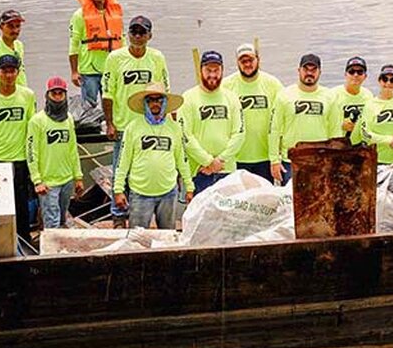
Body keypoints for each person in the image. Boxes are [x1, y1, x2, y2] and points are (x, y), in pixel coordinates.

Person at [102, 15, 169, 223]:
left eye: (142, 32)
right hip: (123, 125)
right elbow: (107, 92)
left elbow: (165, 88)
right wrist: (110, 122)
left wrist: (165, 120)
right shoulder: (115, 58)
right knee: (120, 170)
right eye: (134, 32)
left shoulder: (157, 57)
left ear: (150, 35)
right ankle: (119, 215)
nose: (138, 36)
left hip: (149, 123)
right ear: (127, 34)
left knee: (145, 168)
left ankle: (143, 211)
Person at [113, 83, 193, 230]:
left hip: (168, 193)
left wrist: (189, 186)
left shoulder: (174, 128)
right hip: (140, 194)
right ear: (145, 103)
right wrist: (118, 190)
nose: (155, 104)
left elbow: (182, 160)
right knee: (136, 239)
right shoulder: (132, 127)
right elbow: (123, 162)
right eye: (150, 100)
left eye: (159, 100)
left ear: (165, 103)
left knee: (167, 236)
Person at [0, 54, 37, 240]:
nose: (9, 75)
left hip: (20, 158)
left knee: (21, 205)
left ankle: (24, 239)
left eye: (12, 71)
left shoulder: (27, 95)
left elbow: (32, 129)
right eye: (5, 71)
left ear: (18, 73)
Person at [179, 50, 245, 194]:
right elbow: (185, 136)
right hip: (199, 171)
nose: (213, 75)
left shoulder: (232, 98)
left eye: (217, 70)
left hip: (226, 170)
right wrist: (208, 161)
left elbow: (239, 134)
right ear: (200, 70)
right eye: (208, 70)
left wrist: (219, 161)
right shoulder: (188, 98)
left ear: (222, 71)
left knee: (229, 215)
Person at [269, 54, 340, 185]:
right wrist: (274, 160)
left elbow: (335, 132)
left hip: (320, 161)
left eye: (313, 70)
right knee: (291, 204)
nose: (309, 73)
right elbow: (274, 129)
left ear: (320, 72)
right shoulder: (284, 95)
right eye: (306, 69)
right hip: (291, 162)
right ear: (299, 70)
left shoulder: (330, 97)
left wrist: (334, 161)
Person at [26, 77, 84, 229]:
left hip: (67, 179)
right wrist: (37, 180)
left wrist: (78, 177)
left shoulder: (69, 119)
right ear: (47, 95)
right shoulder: (37, 121)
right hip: (48, 183)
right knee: (52, 222)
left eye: (60, 93)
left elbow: (73, 149)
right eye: (54, 93)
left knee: (63, 219)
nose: (57, 97)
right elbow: (32, 152)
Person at [223, 43, 283, 183]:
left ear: (258, 59)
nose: (247, 64)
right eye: (243, 61)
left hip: (264, 157)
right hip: (235, 158)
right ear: (237, 62)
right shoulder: (226, 86)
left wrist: (276, 157)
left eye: (251, 60)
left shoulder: (273, 84)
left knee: (264, 201)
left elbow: (281, 120)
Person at [69, 0, 124, 107]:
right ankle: (89, 127)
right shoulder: (79, 15)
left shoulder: (115, 14)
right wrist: (74, 71)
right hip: (89, 70)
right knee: (89, 106)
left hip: (110, 68)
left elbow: (122, 39)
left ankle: (111, 126)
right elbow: (73, 43)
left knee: (112, 103)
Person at [0, 10, 27, 90]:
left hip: (21, 95)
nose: (15, 30)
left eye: (18, 26)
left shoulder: (19, 45)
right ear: (1, 27)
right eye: (10, 26)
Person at [332, 57, 373, 141]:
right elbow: (323, 120)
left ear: (365, 76)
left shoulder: (368, 95)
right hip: (339, 144)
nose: (355, 75)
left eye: (360, 72)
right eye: (351, 71)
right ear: (345, 75)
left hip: (360, 144)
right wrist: (340, 125)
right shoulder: (333, 94)